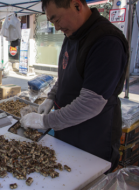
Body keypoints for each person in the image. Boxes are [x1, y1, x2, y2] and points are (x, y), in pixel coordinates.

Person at [21, 0, 129, 173]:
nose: (56, 28)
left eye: (57, 20)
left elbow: (89, 104)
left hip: (93, 140)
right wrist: (51, 97)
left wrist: (44, 121)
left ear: (77, 5)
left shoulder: (106, 41)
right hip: (68, 131)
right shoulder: (72, 34)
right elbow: (66, 73)